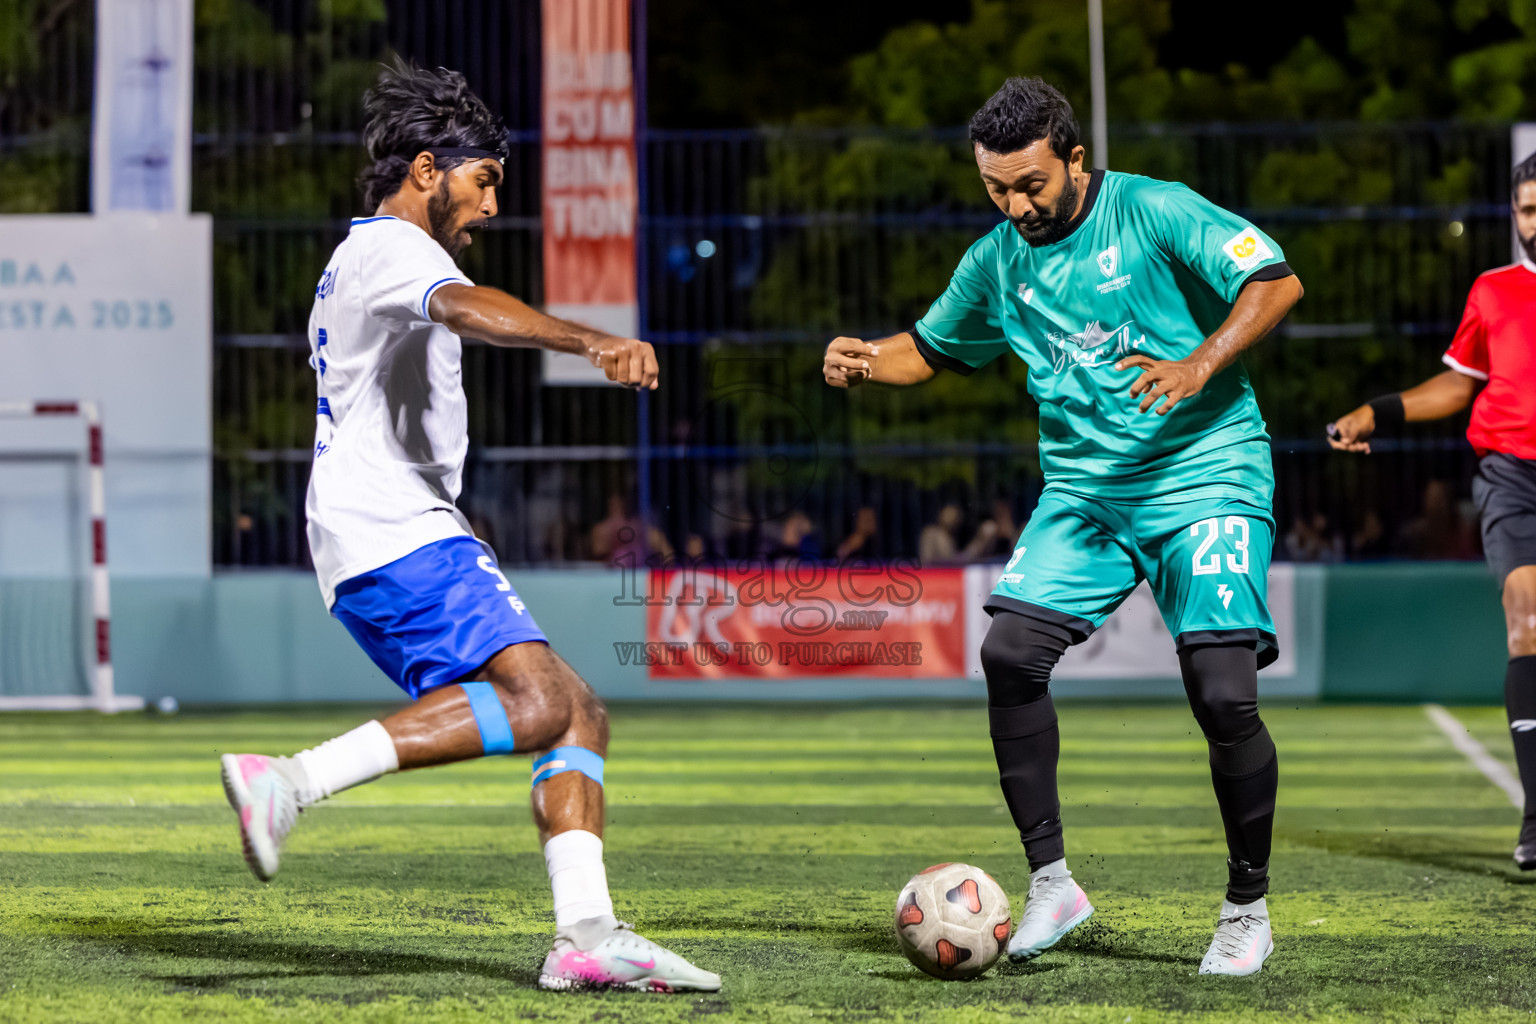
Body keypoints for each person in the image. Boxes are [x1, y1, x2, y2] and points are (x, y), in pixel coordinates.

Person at [217, 60, 719, 993]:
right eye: (483, 180)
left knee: (577, 711)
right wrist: (589, 337)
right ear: (425, 169)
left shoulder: (368, 256)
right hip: (393, 527)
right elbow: (467, 311)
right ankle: (287, 782)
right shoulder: (396, 251)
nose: (491, 205)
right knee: (536, 705)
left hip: (395, 527)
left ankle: (587, 934)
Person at [823, 76, 1303, 975]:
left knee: (1225, 694)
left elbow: (1276, 283)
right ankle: (1053, 883)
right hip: (1085, 492)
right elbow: (928, 352)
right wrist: (865, 359)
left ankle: (1247, 909)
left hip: (1205, 474)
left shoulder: (1156, 210)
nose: (1015, 205)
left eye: (1031, 184)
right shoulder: (996, 258)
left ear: (1076, 159)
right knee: (1008, 655)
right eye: (996, 187)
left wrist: (1200, 364)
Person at [1327, 150, 1536, 871]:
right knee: (1525, 616)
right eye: (1526, 210)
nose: (1534, 223)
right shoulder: (1494, 291)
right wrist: (1374, 412)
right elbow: (1456, 387)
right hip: (1510, 475)